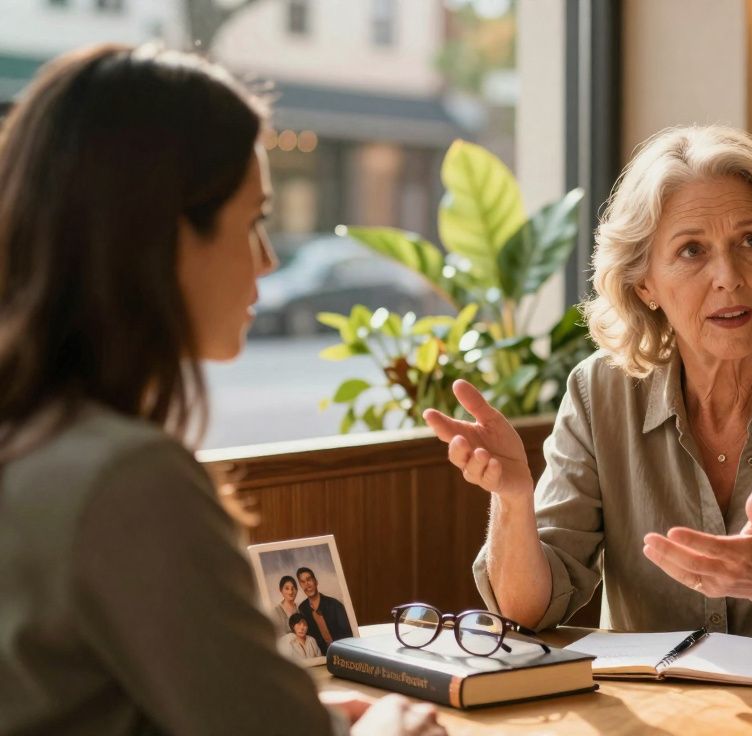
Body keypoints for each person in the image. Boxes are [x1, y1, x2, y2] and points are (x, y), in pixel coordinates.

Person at [0, 44, 443, 736]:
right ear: (161, 234)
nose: (267, 261)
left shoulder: (32, 437)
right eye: (253, 220)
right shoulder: (125, 479)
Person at [424, 125, 752, 639]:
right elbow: (524, 611)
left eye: (751, 241)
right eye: (692, 251)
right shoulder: (599, 394)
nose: (728, 275)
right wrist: (513, 500)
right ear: (646, 285)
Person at [297, 566, 353, 651]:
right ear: (301, 586)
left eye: (309, 579)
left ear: (316, 581)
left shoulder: (335, 605)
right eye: (303, 582)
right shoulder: (302, 609)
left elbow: (348, 635)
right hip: (321, 655)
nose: (307, 584)